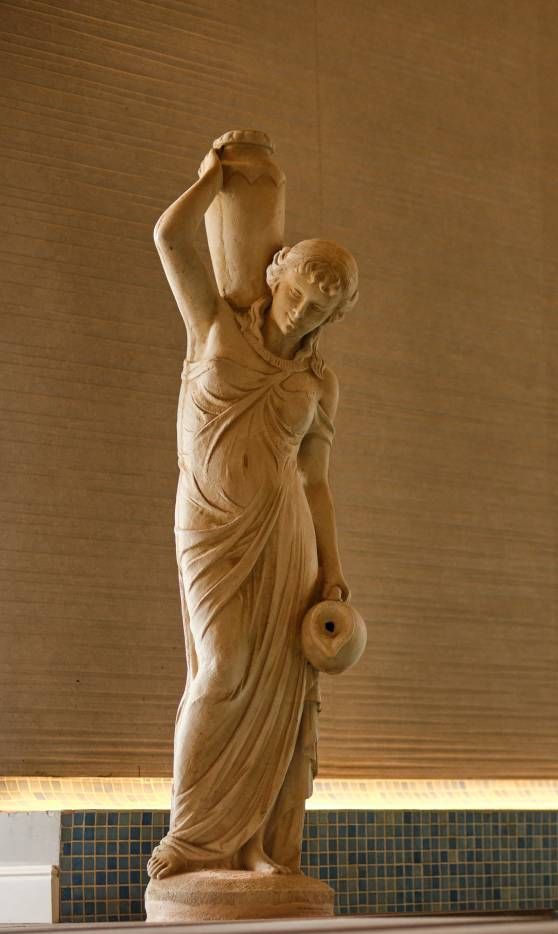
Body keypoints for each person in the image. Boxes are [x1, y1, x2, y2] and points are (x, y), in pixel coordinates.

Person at [147, 148, 358, 880]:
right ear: (277, 277)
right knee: (223, 666)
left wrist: (332, 569)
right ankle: (193, 841)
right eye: (299, 293)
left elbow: (317, 483)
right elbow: (169, 238)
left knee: (279, 686)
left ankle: (260, 846)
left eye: (321, 308)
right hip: (211, 524)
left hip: (285, 538)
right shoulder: (214, 326)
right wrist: (210, 176)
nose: (304, 312)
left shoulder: (318, 383)